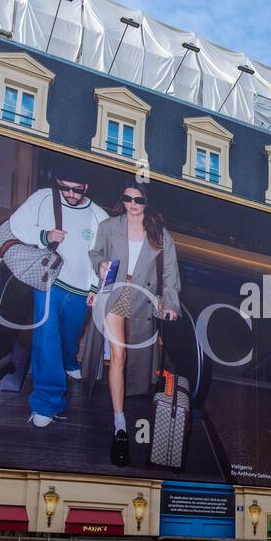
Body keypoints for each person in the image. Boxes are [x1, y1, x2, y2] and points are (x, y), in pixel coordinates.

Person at [82, 186, 182, 466]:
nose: (132, 204)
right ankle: (120, 423)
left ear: (148, 202)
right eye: (127, 198)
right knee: (119, 356)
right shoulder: (108, 226)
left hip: (144, 298)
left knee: (136, 360)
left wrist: (170, 305)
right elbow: (95, 254)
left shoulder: (161, 236)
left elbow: (171, 276)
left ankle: (127, 406)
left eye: (139, 199)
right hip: (115, 292)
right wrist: (100, 265)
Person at [9, 171, 109, 429]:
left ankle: (68, 360)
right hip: (48, 281)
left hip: (79, 289)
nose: (71, 195)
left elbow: (102, 259)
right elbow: (16, 224)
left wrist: (96, 288)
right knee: (46, 336)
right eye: (65, 188)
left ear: (86, 185)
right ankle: (46, 402)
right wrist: (45, 236)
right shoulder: (43, 198)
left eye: (77, 189)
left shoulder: (99, 215)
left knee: (70, 334)